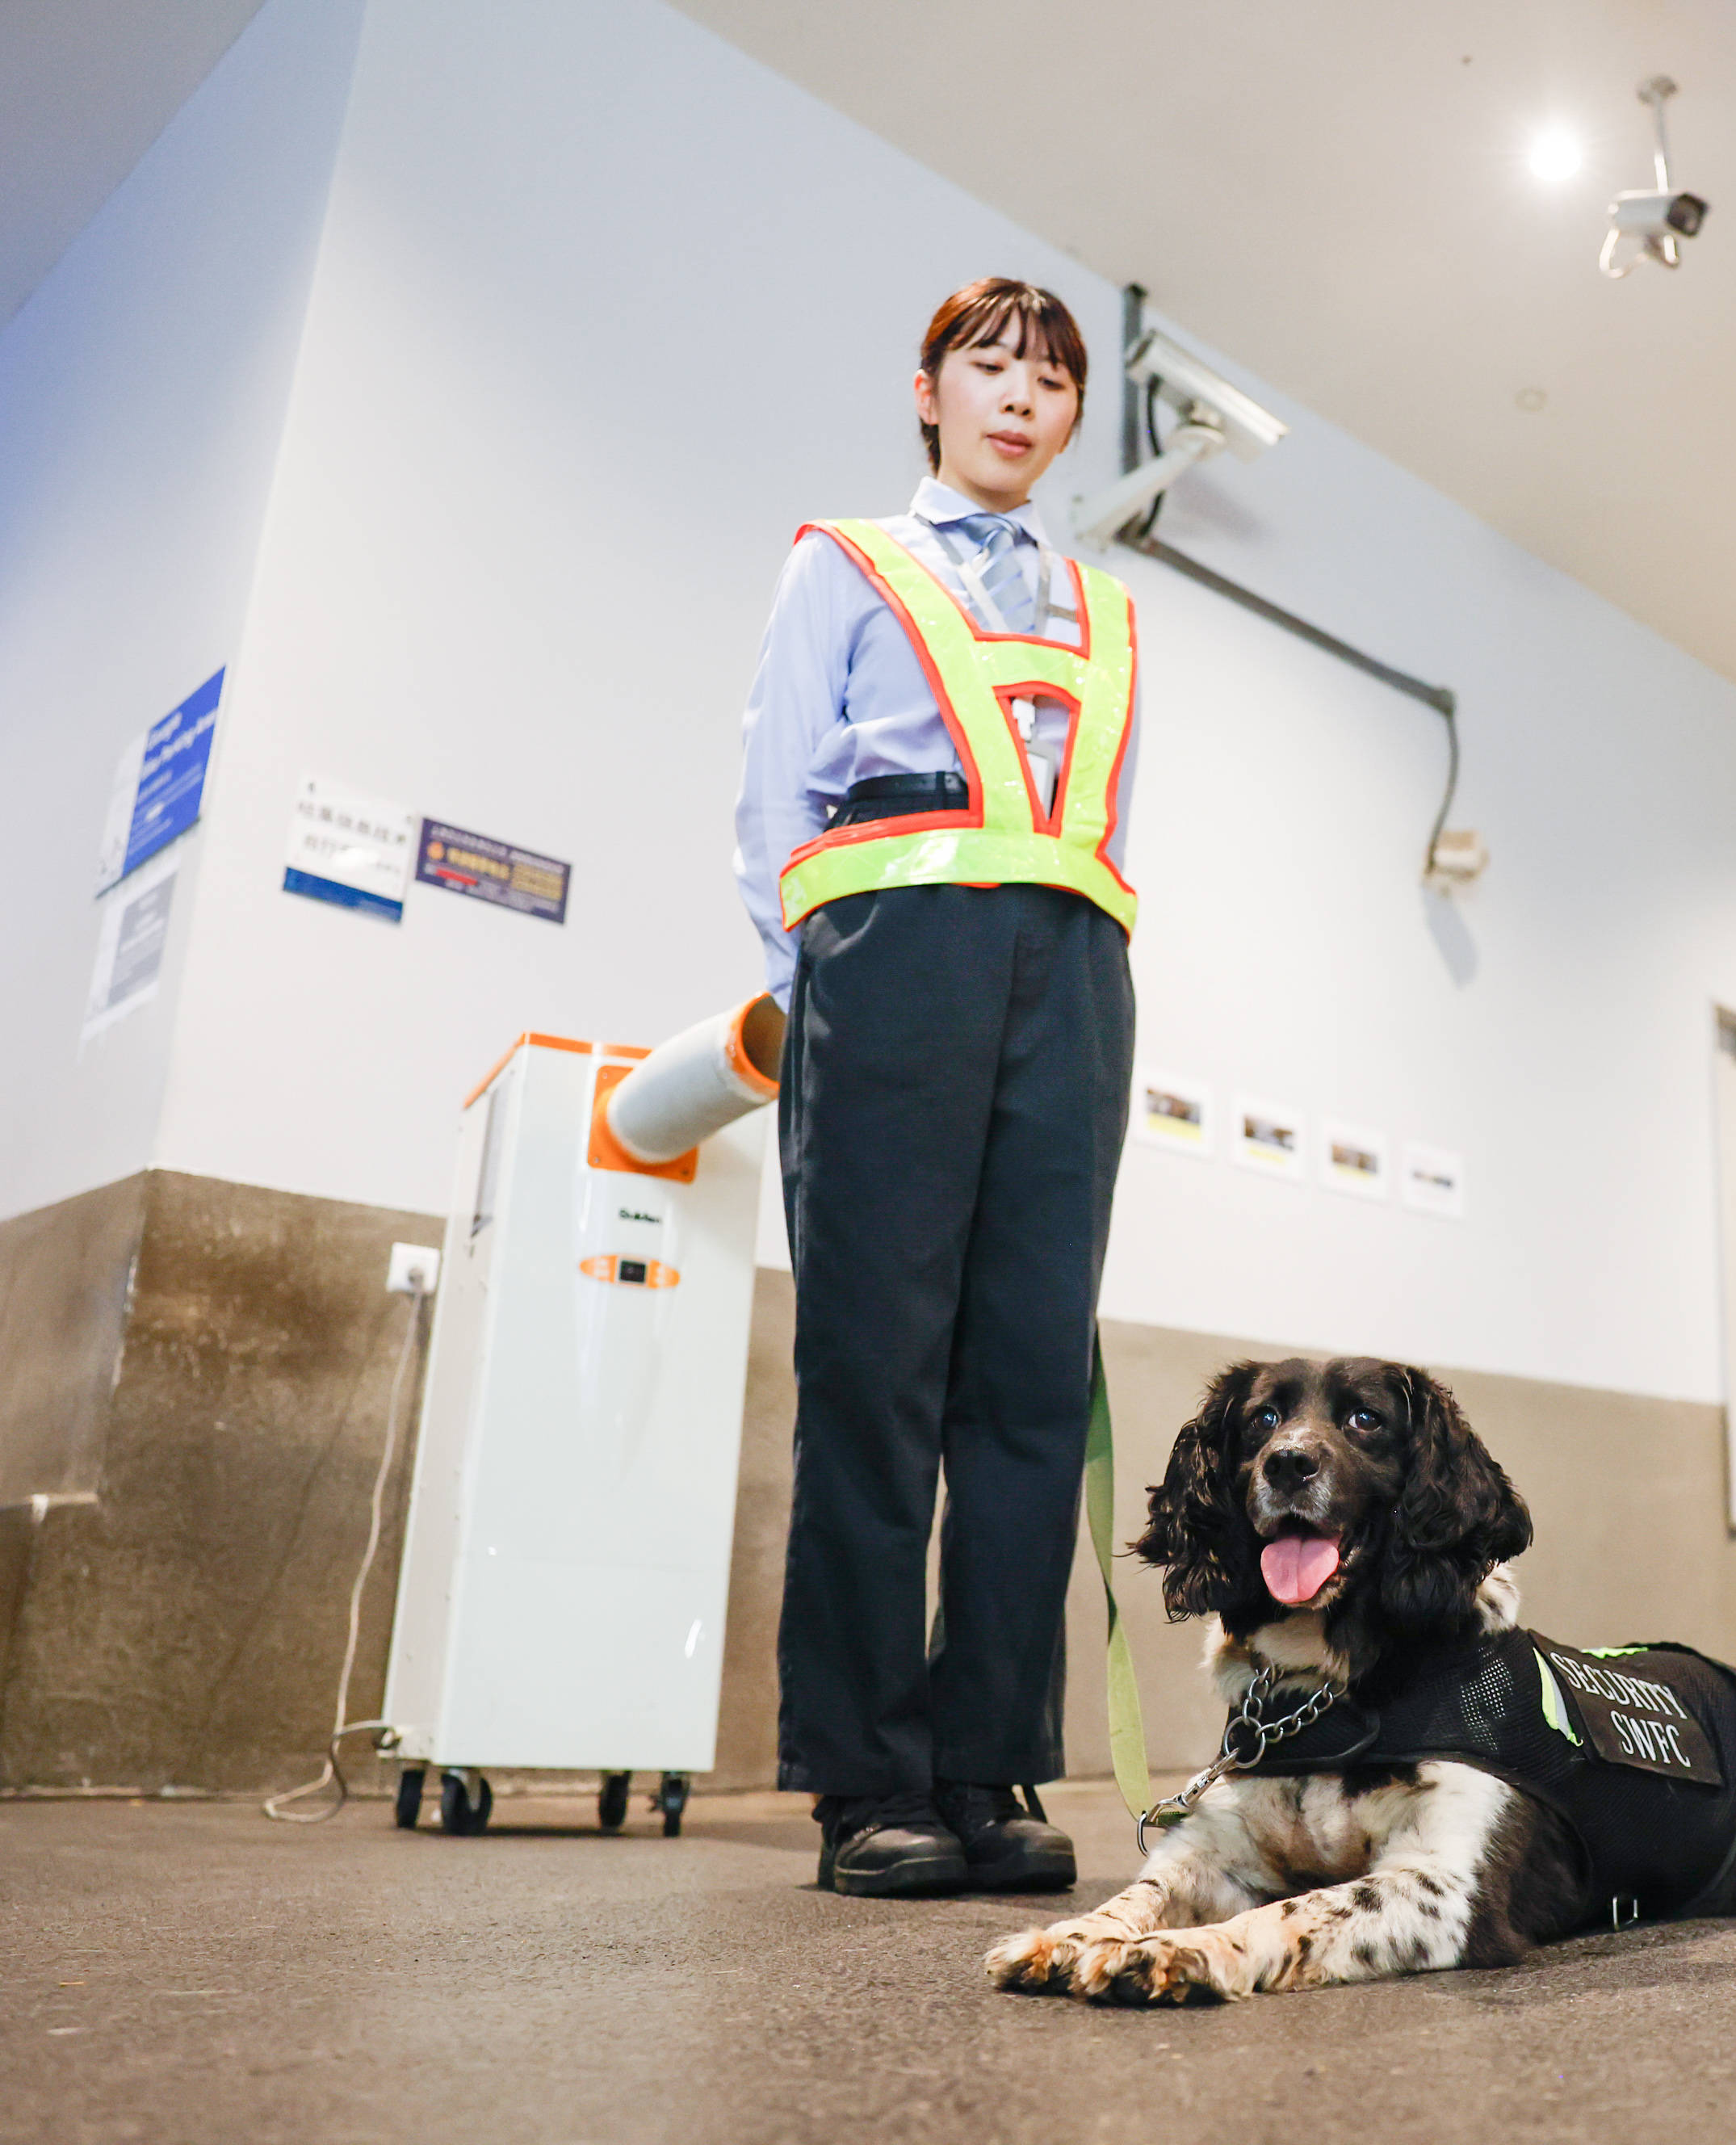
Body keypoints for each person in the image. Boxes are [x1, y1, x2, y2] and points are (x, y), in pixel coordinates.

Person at [732, 278, 1141, 1897]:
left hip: (1075, 973)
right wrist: (818, 986)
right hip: (889, 951)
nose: (1021, 400)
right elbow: (773, 787)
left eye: (1050, 378)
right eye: (991, 368)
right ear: (929, 392)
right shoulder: (842, 562)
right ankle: (865, 1779)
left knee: (1032, 1385)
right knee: (876, 1371)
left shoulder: (1106, 610)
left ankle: (989, 1762)